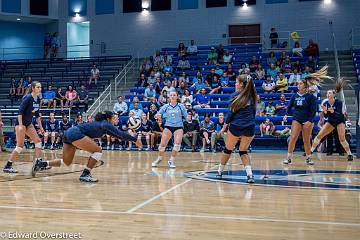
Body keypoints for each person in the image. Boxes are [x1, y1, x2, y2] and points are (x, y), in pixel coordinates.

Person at [32, 111, 142, 182]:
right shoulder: (105, 124)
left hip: (69, 133)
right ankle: (86, 174)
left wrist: (129, 134)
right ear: (109, 118)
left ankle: (41, 164)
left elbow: (119, 135)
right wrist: (135, 139)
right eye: (115, 118)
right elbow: (121, 135)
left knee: (67, 162)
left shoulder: (104, 125)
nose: (116, 120)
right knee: (98, 150)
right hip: (75, 133)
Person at [283, 66, 331, 165]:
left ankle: (309, 158)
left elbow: (314, 110)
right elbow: (289, 106)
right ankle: (288, 157)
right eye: (298, 84)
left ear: (305, 86)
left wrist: (309, 120)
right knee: (293, 138)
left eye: (300, 83)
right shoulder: (294, 96)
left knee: (306, 140)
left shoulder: (310, 97)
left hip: (307, 120)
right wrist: (286, 115)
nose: (298, 85)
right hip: (297, 119)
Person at [217, 75, 257, 183]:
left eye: (236, 82)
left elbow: (230, 114)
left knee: (228, 149)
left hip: (236, 126)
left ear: (241, 84)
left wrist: (223, 128)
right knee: (243, 151)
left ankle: (219, 172)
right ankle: (250, 175)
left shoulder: (234, 95)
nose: (235, 84)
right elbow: (253, 114)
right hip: (250, 127)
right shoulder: (252, 96)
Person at [3, 81, 45, 173]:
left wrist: (41, 127)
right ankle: (8, 166)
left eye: (40, 87)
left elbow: (37, 115)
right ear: (33, 88)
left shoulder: (37, 99)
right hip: (20, 124)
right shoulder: (28, 97)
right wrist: (21, 125)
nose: (40, 89)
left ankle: (38, 163)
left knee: (38, 141)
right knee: (20, 146)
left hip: (28, 124)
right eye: (38, 87)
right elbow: (20, 112)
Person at [310, 79, 353, 161]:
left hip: (340, 121)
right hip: (331, 121)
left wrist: (332, 111)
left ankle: (350, 154)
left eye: (330, 93)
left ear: (334, 95)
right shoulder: (325, 103)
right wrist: (325, 112)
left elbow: (339, 115)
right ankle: (310, 152)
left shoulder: (339, 102)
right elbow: (326, 115)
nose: (328, 94)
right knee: (319, 135)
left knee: (342, 139)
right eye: (327, 93)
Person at [151, 91, 188, 168]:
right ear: (169, 97)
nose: (172, 96)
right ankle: (159, 159)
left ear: (177, 97)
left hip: (179, 127)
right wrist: (157, 116)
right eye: (171, 95)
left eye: (174, 95)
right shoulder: (166, 106)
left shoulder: (181, 106)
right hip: (168, 126)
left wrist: (189, 118)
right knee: (162, 145)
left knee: (177, 144)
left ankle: (171, 160)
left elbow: (186, 116)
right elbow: (157, 114)